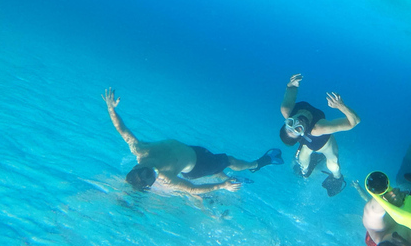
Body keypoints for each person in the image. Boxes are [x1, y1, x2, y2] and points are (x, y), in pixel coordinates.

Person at [103, 87, 283, 195]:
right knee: (228, 160)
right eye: (155, 176)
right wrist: (223, 187)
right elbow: (192, 189)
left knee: (217, 166)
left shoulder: (140, 150)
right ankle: (257, 164)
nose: (156, 172)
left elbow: (122, 129)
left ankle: (226, 175)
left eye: (152, 171)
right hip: (198, 165)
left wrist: (111, 108)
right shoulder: (166, 177)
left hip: (192, 151)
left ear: (136, 166)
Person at [279, 73, 361, 196]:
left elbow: (291, 89)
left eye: (290, 123)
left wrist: (292, 84)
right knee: (327, 163)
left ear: (287, 120)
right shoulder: (319, 128)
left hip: (315, 142)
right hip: (320, 143)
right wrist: (341, 106)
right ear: (301, 133)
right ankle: (336, 177)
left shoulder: (286, 110)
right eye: (298, 128)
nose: (297, 122)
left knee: (322, 163)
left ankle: (335, 176)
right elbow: (354, 122)